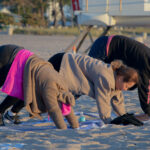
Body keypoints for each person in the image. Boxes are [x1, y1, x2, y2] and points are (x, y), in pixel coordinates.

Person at [0, 44, 79, 129]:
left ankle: (10, 114)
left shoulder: (62, 86)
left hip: (22, 57)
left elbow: (66, 107)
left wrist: (75, 126)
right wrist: (63, 128)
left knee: (26, 93)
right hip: (9, 56)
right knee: (20, 91)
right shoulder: (50, 88)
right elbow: (53, 110)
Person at [48, 52, 139, 124]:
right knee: (50, 91)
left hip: (65, 62)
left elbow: (118, 100)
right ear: (120, 77)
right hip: (62, 63)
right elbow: (102, 100)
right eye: (126, 86)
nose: (125, 89)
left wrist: (124, 116)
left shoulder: (116, 79)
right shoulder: (106, 78)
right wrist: (108, 121)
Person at [88, 35, 150, 116]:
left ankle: (120, 113)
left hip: (107, 46)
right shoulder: (147, 63)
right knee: (87, 79)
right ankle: (67, 99)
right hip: (103, 47)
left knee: (119, 83)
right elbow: (144, 89)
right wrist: (148, 111)